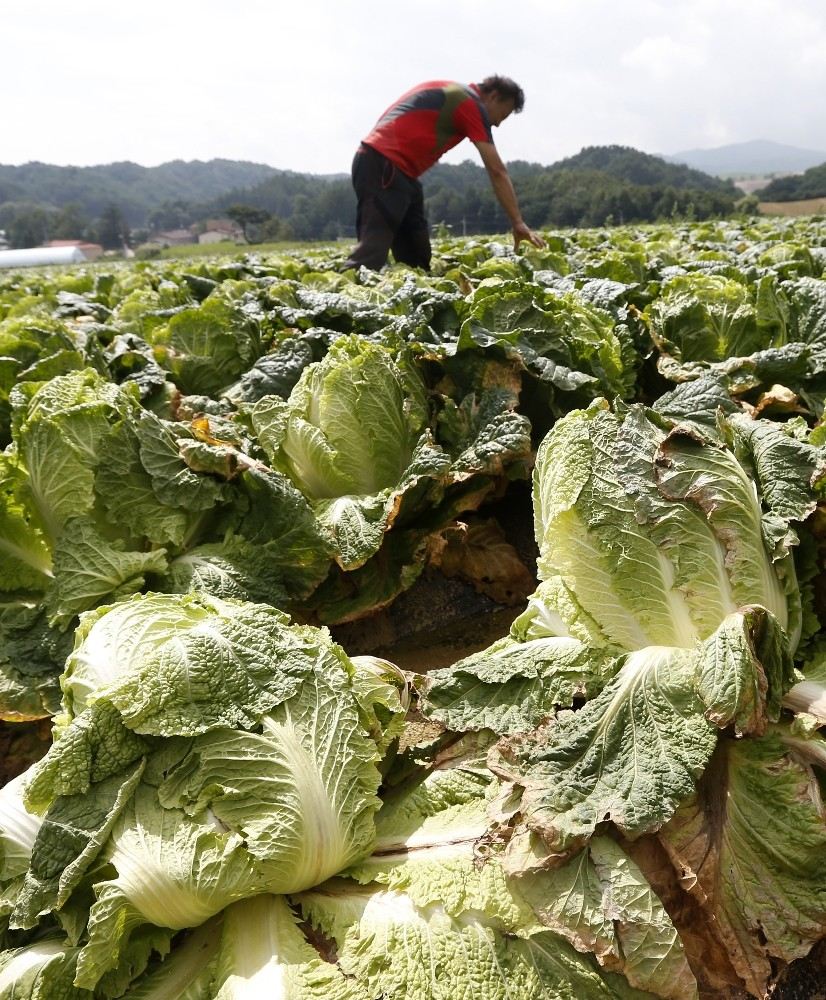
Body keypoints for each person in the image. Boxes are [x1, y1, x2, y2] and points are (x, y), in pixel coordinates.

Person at [343, 75, 545, 271]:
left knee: (417, 256)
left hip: (395, 169)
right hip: (383, 164)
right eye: (502, 114)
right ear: (493, 97)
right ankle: (338, 300)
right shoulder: (468, 102)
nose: (498, 123)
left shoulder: (451, 90)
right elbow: (497, 170)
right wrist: (517, 222)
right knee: (372, 252)